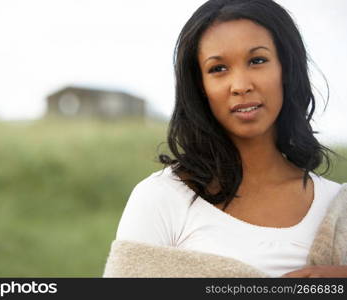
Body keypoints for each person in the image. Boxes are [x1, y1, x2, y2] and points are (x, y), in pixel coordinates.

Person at [104, 0, 347, 278]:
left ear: (286, 69)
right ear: (200, 86)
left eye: (257, 61)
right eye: (218, 69)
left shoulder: (336, 206)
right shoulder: (162, 198)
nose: (241, 85)